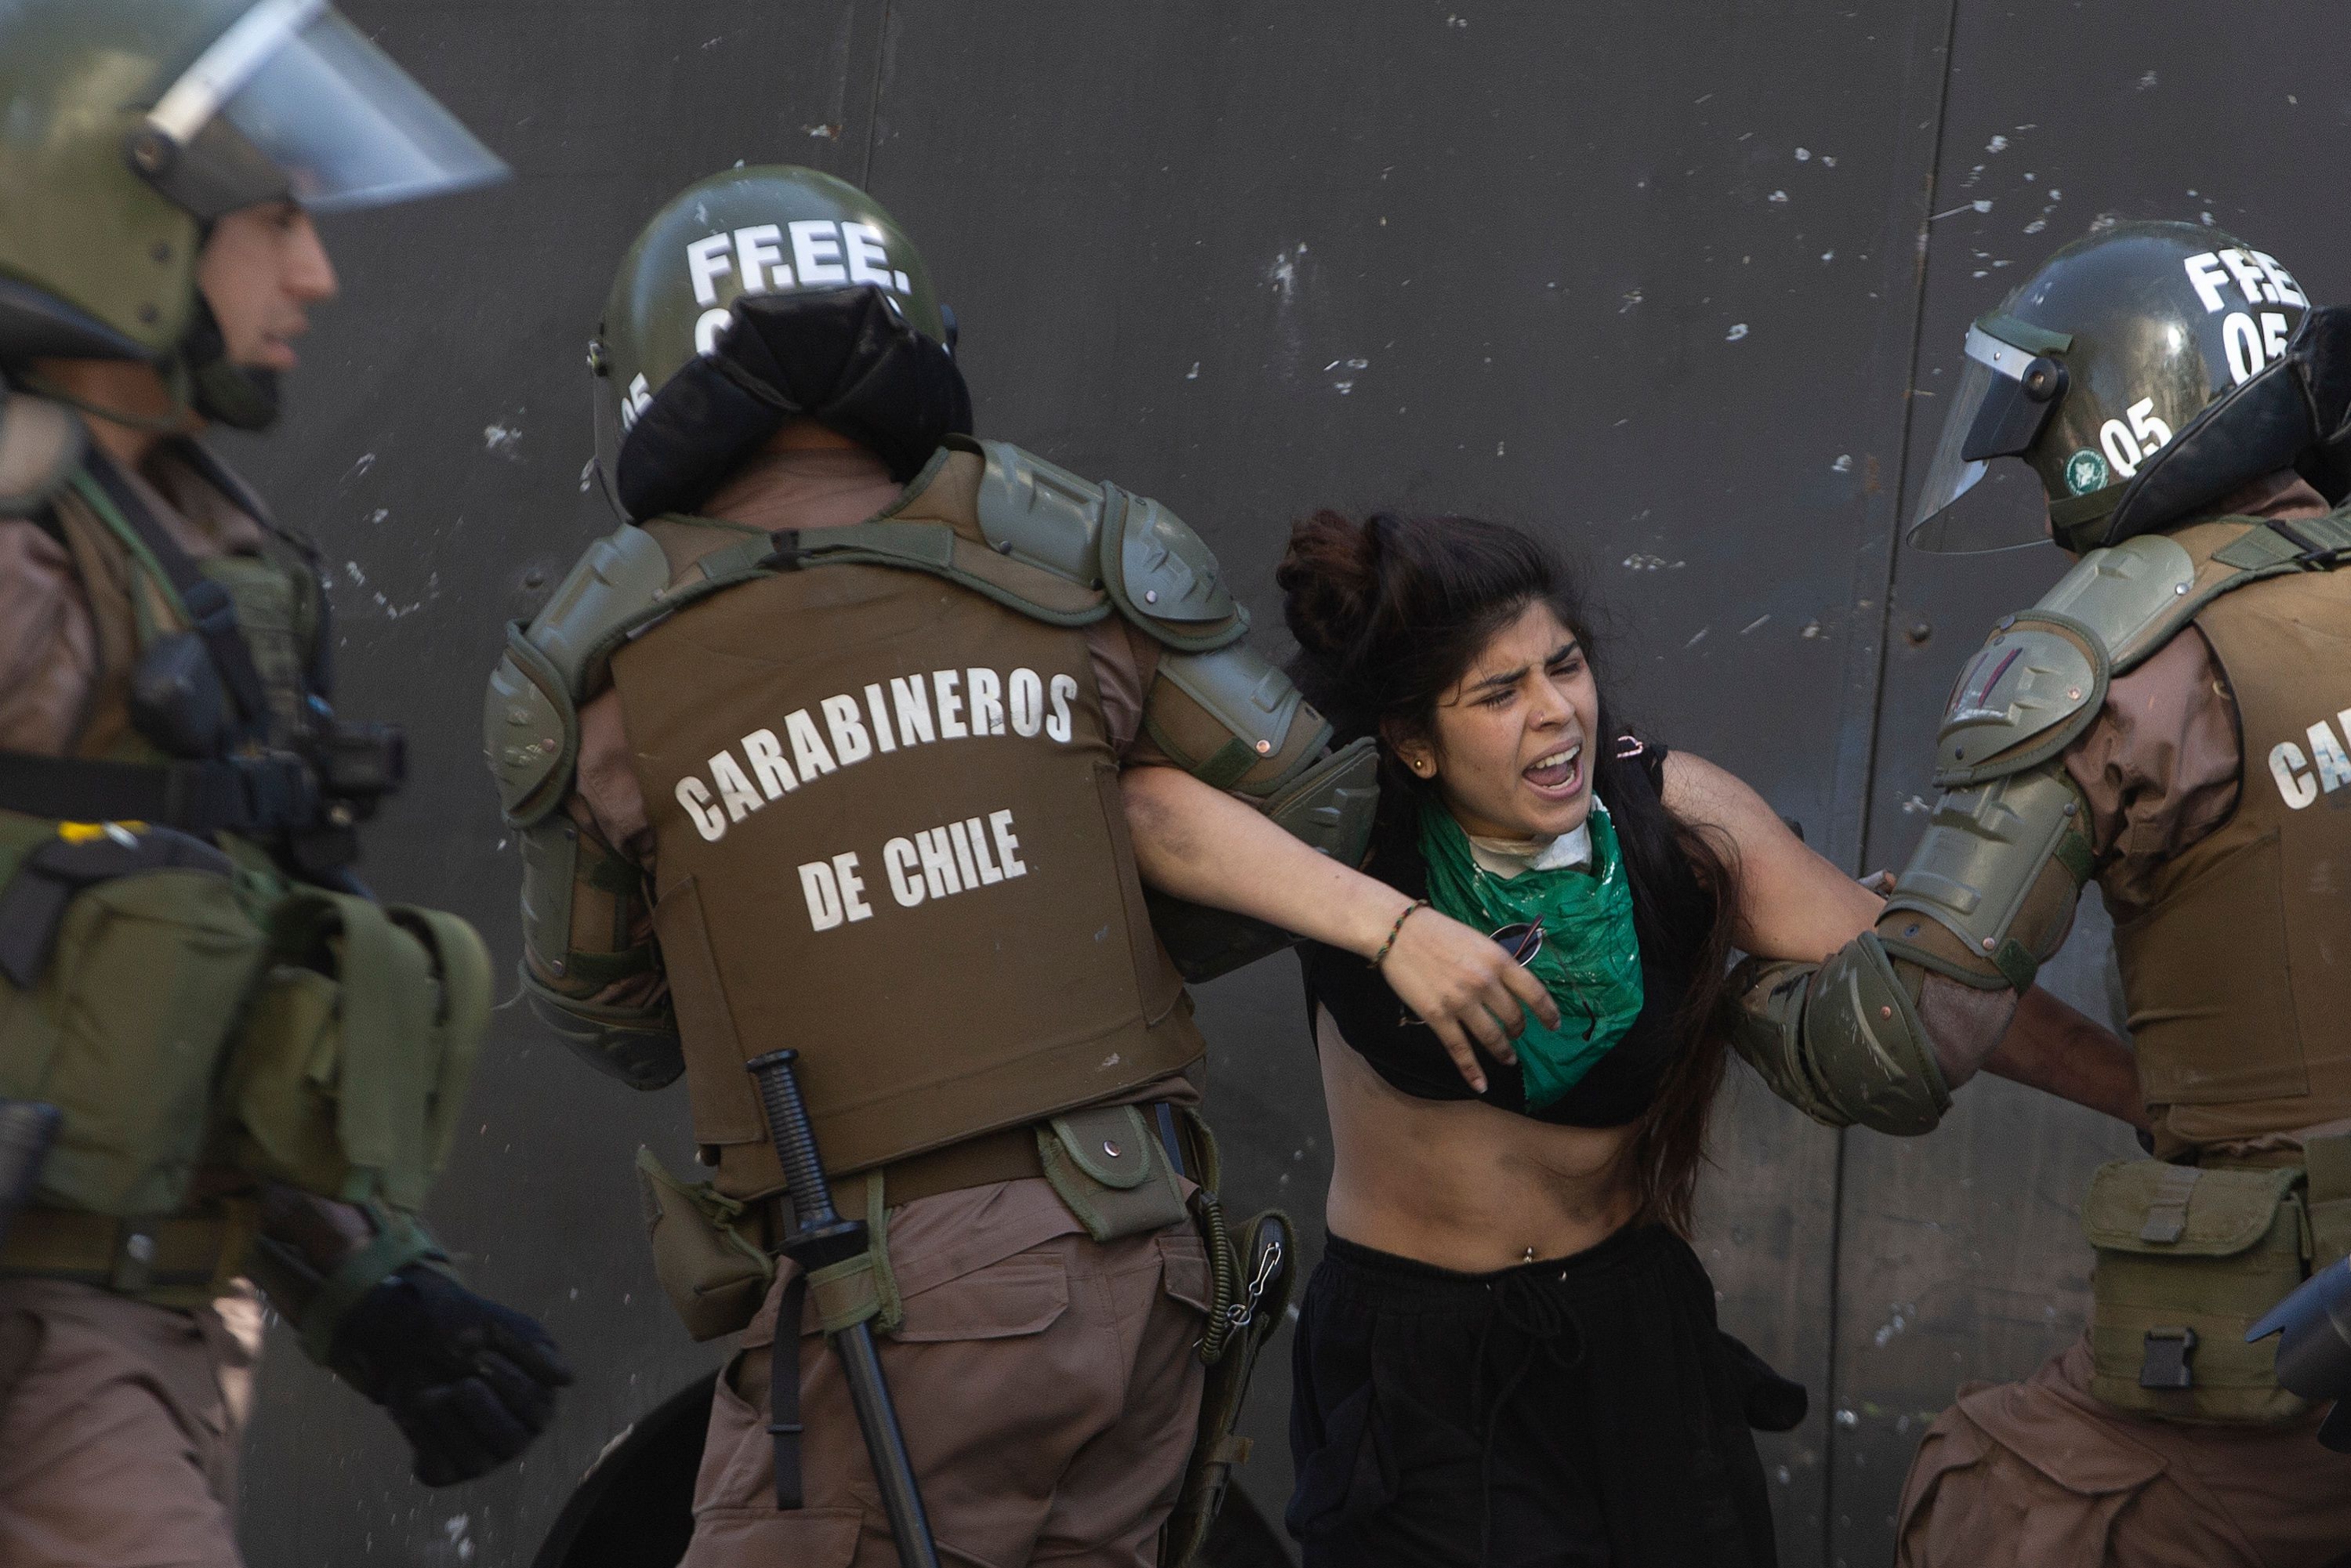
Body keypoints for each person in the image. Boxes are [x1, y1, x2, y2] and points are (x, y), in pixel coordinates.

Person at [491, 164, 1550, 1568]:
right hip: (1149, 1247)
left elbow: (608, 1014)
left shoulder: (607, 678)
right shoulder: (1070, 559)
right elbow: (1303, 793)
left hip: (892, 1284)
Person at [1123, 509, 2137, 1566]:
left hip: (1629, 1334)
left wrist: (2147, 1099)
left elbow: (1934, 980)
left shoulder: (1671, 819)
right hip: (1419, 1369)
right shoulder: (1357, 831)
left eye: (1564, 667)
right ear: (1415, 742)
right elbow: (1150, 812)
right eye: (1499, 693)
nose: (1557, 714)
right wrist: (1393, 929)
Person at [0, 4, 570, 1566]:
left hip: (128, 1340)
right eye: (271, 223)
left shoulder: (197, 547)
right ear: (111, 217)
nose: (313, 272)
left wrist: (372, 1286)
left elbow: (207, 966)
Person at [1733, 219, 2351, 1563]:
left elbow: (1900, 1047)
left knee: (1994, 1494)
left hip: (2277, 1359)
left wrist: (1751, 963)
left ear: (2122, 411)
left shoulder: (2110, 664)